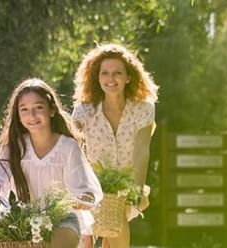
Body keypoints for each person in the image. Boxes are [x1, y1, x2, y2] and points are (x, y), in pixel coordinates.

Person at [0, 78, 103, 248]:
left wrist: (82, 198)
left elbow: (83, 187)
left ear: (52, 110)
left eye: (38, 108)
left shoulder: (68, 146)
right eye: (24, 110)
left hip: (62, 218)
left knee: (62, 239)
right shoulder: (15, 146)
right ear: (18, 115)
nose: (32, 116)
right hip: (23, 218)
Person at [70, 44, 159, 248]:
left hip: (124, 187)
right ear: (97, 77)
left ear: (128, 77)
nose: (111, 79)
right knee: (90, 240)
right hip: (91, 185)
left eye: (117, 73)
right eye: (105, 73)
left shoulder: (143, 109)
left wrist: (136, 189)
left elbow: (141, 150)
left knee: (115, 227)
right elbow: (74, 148)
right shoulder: (84, 110)